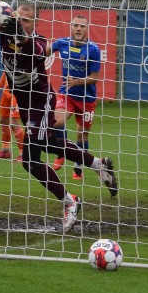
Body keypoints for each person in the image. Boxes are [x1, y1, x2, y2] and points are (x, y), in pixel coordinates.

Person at [0, 3, 117, 231]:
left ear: (34, 24)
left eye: (26, 21)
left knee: (30, 161)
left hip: (40, 103)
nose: (21, 23)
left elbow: (38, 49)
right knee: (50, 145)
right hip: (26, 107)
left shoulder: (38, 42)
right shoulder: (6, 37)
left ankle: (69, 201)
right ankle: (97, 164)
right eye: (18, 19)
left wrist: (20, 33)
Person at [50, 15, 101, 180]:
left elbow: (95, 77)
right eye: (76, 26)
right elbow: (43, 52)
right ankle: (61, 152)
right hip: (67, 93)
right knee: (56, 121)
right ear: (71, 27)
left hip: (87, 98)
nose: (78, 29)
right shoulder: (61, 43)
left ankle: (78, 167)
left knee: (82, 135)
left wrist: (77, 81)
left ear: (86, 29)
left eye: (82, 26)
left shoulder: (93, 49)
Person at [0, 72, 25, 162]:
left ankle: (23, 154)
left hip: (17, 92)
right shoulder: (8, 59)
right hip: (6, 92)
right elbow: (5, 72)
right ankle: (5, 151)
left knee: (14, 123)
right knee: (3, 120)